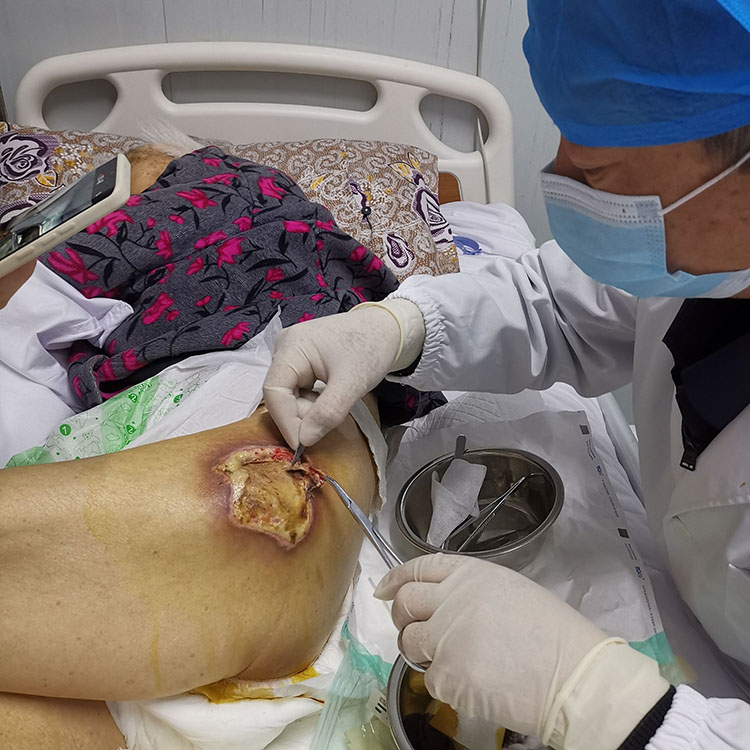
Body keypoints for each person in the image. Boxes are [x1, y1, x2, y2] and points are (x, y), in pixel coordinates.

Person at [263, 1, 750, 747]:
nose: (559, 181)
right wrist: (395, 328)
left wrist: (608, 705)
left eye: (598, 171)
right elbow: (561, 301)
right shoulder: (711, 259)